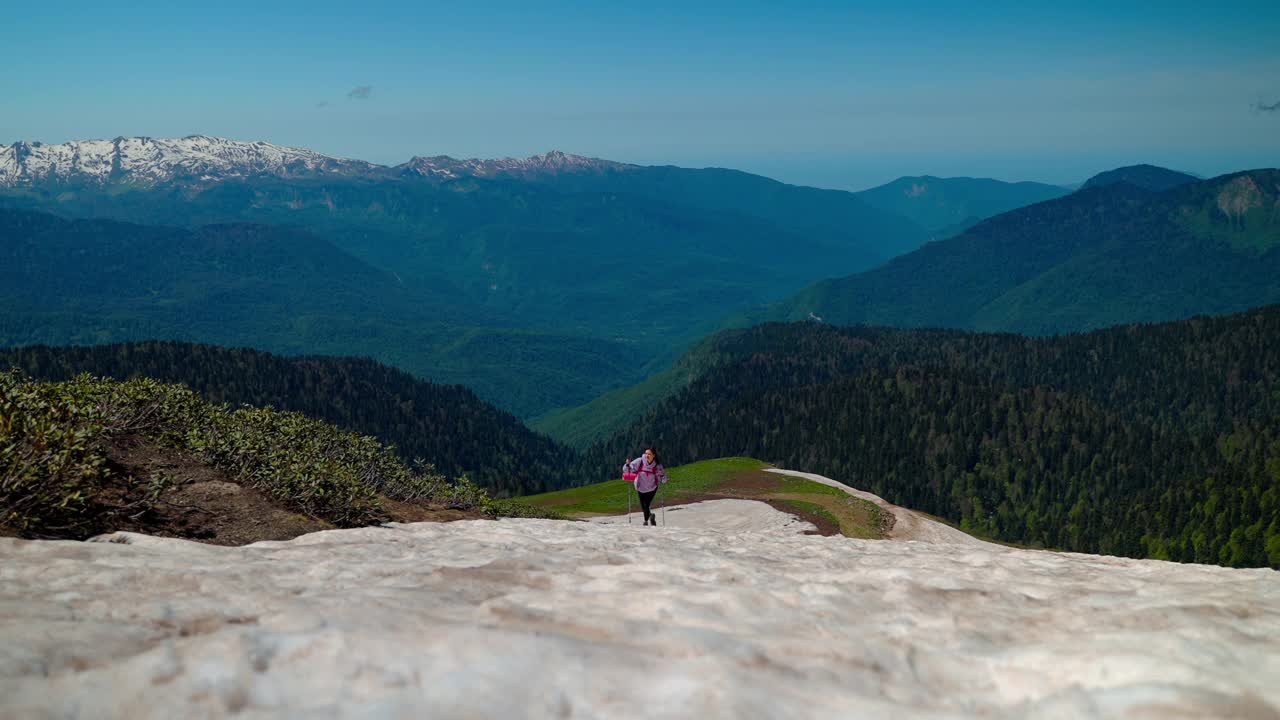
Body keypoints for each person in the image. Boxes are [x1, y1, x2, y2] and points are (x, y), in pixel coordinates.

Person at [623, 446, 668, 526]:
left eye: (649, 454)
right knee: (644, 507)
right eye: (646, 453)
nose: (647, 455)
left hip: (652, 488)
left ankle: (645, 521)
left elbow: (663, 481)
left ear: (654, 455)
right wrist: (627, 465)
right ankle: (650, 516)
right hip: (640, 487)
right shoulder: (640, 461)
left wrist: (662, 476)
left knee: (646, 505)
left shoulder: (657, 466)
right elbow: (627, 470)